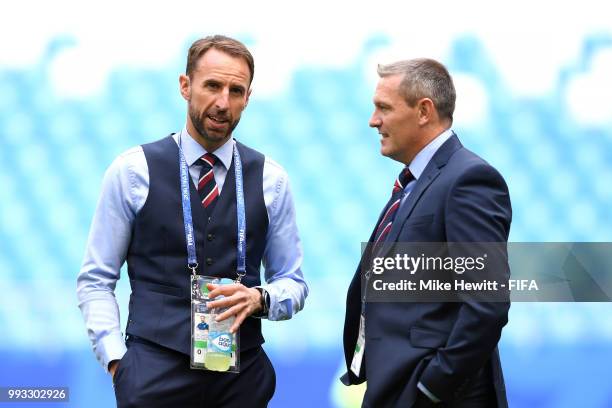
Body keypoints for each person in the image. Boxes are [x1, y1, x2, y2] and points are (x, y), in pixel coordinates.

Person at [77, 35, 308, 407]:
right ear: (185, 86)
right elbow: (96, 279)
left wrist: (260, 298)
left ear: (248, 97)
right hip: (152, 374)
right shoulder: (132, 171)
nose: (223, 102)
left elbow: (293, 282)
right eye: (212, 86)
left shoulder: (272, 179)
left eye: (236, 90)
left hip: (242, 378)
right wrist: (118, 361)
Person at [341, 59, 512, 407]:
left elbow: (486, 305)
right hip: (395, 387)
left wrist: (431, 388)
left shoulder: (469, 180)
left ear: (423, 111)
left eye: (383, 108)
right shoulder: (415, 183)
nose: (374, 121)